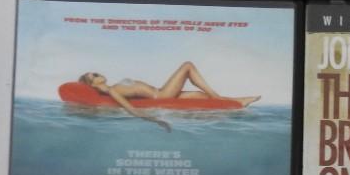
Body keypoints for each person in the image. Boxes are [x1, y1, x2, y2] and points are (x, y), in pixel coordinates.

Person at [78, 62, 259, 131]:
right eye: (94, 75)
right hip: (161, 95)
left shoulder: (113, 88)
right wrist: (158, 121)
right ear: (92, 84)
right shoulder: (112, 91)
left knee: (200, 95)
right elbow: (131, 110)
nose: (98, 73)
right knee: (187, 66)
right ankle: (219, 98)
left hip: (160, 92)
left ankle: (237, 101)